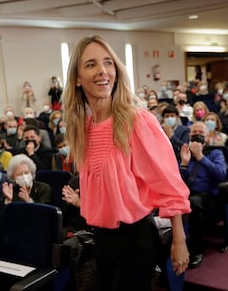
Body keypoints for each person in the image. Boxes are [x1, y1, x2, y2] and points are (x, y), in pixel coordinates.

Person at [62, 35, 191, 290]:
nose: (103, 71)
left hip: (135, 239)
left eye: (108, 63)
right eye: (91, 65)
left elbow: (168, 182)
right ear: (77, 79)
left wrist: (179, 239)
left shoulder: (136, 121)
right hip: (101, 238)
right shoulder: (83, 128)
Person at [180, 121, 227, 268]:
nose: (197, 136)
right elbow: (178, 180)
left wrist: (201, 157)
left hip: (210, 200)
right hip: (188, 196)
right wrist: (184, 165)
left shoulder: (215, 153)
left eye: (201, 133)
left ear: (207, 137)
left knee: (193, 202)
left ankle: (197, 251)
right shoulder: (185, 152)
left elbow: (221, 175)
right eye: (194, 133)